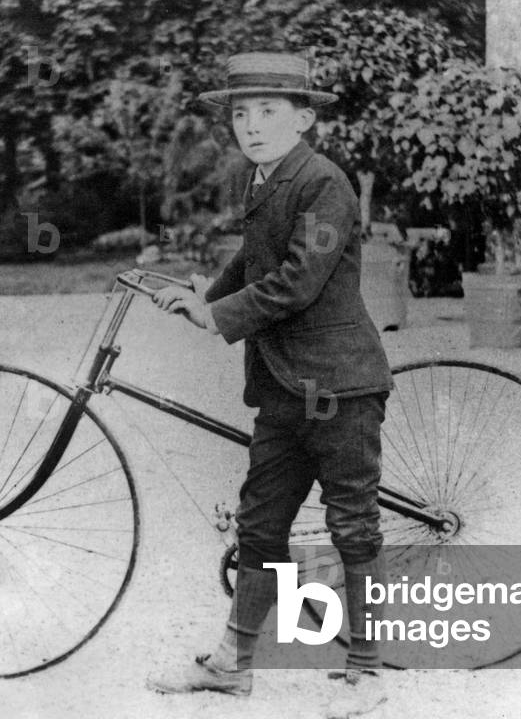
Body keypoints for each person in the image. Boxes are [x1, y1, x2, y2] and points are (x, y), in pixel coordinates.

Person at [147, 52, 394, 709]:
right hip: (283, 388)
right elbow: (255, 258)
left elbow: (295, 282)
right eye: (239, 112)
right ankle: (231, 662)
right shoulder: (261, 180)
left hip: (340, 388)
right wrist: (210, 291)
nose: (250, 125)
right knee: (260, 522)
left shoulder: (324, 184)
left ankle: (364, 670)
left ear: (304, 117)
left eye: (267, 111)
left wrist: (218, 315)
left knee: (352, 525)